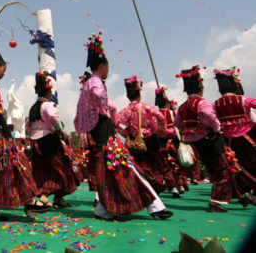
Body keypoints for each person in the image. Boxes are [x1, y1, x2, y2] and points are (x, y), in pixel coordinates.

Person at [74, 32, 173, 221]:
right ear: (102, 66)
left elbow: (107, 108)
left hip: (102, 131)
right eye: (108, 67)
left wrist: (107, 113)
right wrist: (103, 109)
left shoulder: (90, 83)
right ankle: (155, 206)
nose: (108, 70)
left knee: (114, 168)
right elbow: (100, 98)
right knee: (124, 166)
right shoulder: (95, 82)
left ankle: (105, 210)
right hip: (105, 131)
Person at [0, 40, 50, 221]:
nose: (4, 73)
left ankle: (2, 206)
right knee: (7, 163)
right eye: (3, 69)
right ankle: (18, 202)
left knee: (10, 162)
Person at [174, 65, 256, 212]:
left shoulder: (182, 107)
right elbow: (210, 117)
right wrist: (216, 128)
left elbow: (177, 124)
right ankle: (216, 201)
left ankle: (242, 196)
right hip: (215, 139)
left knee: (225, 167)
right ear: (201, 88)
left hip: (198, 143)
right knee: (223, 169)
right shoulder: (204, 103)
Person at [26, 71, 80, 208]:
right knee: (60, 168)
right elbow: (53, 116)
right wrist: (58, 129)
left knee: (41, 169)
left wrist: (35, 132)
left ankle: (58, 198)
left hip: (35, 143)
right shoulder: (47, 105)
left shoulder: (33, 107)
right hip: (48, 141)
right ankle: (46, 196)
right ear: (48, 93)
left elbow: (27, 126)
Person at [116, 76, 169, 195]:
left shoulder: (125, 110)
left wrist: (126, 134)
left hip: (134, 142)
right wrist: (160, 130)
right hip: (150, 140)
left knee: (140, 167)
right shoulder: (146, 106)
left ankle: (145, 190)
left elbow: (114, 124)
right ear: (139, 93)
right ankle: (155, 189)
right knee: (156, 166)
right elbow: (161, 117)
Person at [213, 67, 256, 194]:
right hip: (249, 135)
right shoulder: (245, 100)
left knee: (239, 163)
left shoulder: (215, 104)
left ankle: (244, 189)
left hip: (229, 139)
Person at [154, 88, 188, 197]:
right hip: (173, 142)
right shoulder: (172, 112)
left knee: (165, 164)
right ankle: (180, 184)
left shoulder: (155, 114)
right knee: (176, 163)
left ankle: (172, 187)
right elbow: (179, 125)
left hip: (161, 142)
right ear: (167, 104)